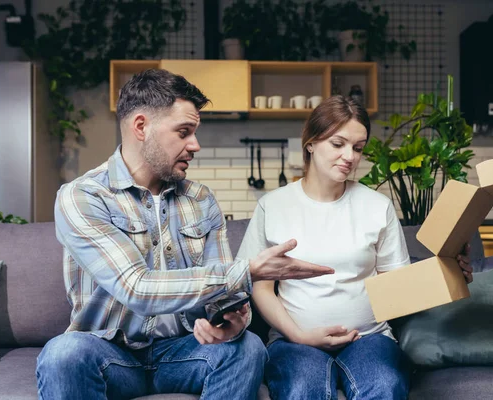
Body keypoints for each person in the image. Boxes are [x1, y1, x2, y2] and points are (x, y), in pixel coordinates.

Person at [36, 69, 334, 400]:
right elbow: (137, 287)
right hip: (109, 353)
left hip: (182, 351)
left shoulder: (201, 200)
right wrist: (246, 272)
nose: (195, 145)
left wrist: (231, 320)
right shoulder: (84, 196)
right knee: (63, 354)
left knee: (247, 348)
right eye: (184, 132)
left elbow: (226, 298)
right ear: (141, 127)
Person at [236, 95, 473, 400]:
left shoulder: (378, 207)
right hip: (294, 341)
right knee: (301, 389)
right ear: (310, 143)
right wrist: (300, 335)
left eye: (358, 148)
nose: (349, 156)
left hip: (369, 338)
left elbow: (396, 288)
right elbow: (261, 288)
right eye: (338, 144)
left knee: (384, 386)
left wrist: (446, 274)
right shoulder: (273, 205)